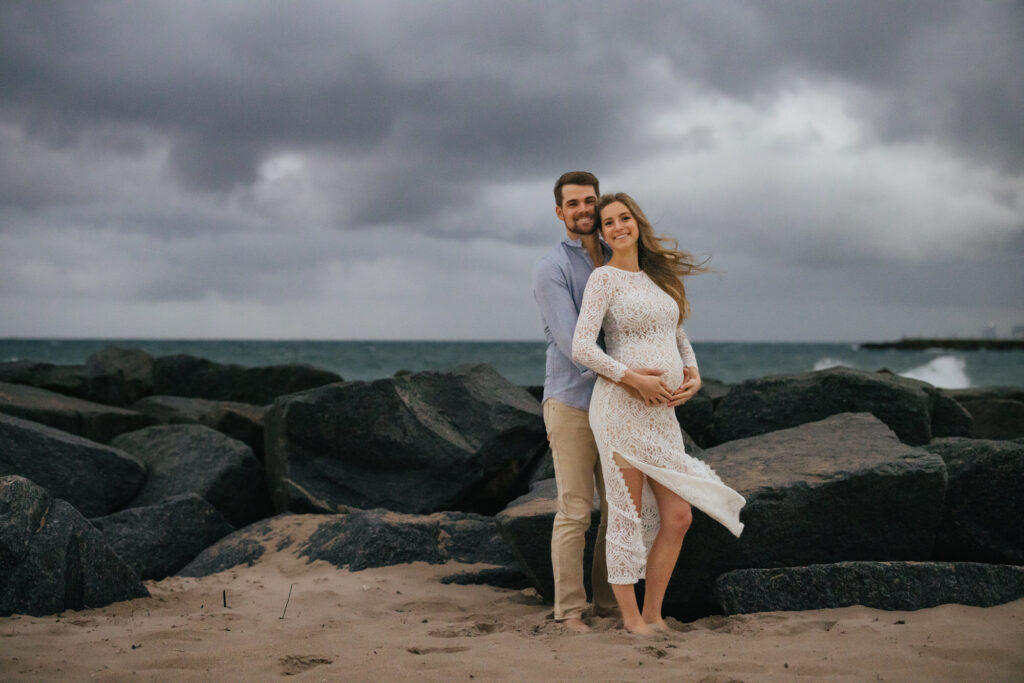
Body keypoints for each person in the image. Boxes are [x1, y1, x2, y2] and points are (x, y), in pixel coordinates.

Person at [571, 192, 745, 634]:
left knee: (679, 516)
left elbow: (678, 333)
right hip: (620, 408)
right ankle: (632, 621)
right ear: (603, 233)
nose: (616, 227)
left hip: (661, 414)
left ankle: (653, 613)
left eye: (623, 218)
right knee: (626, 515)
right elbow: (582, 348)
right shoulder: (603, 280)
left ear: (637, 222)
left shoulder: (658, 278)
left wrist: (695, 375)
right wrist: (632, 378)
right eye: (607, 223)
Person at [532, 171, 624, 632]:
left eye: (590, 201)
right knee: (574, 509)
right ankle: (569, 611)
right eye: (573, 204)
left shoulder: (619, 257)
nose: (584, 210)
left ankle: (609, 606)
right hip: (570, 401)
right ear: (559, 212)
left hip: (618, 404)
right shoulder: (553, 268)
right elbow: (573, 345)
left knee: (618, 508)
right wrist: (631, 377)